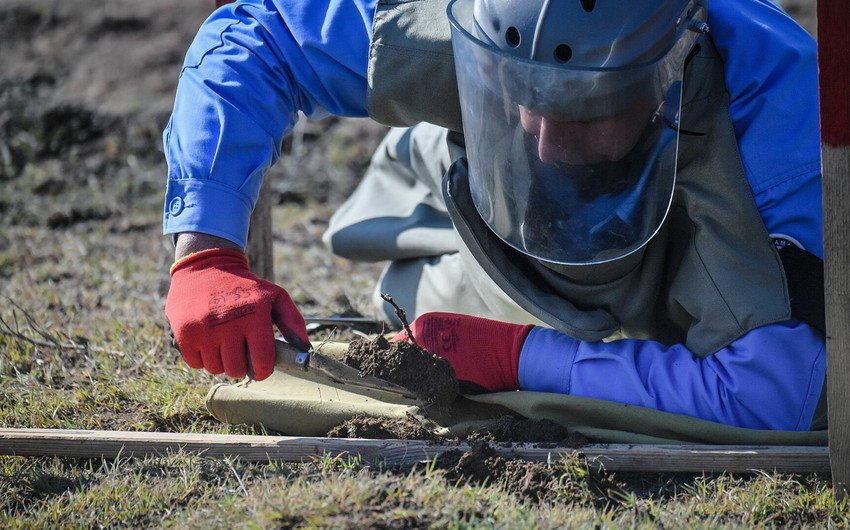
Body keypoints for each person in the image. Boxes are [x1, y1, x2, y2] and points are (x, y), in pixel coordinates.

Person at [163, 0, 825, 431]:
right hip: (484, 247)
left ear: (671, 70)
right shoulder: (478, 22)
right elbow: (254, 36)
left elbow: (777, 397)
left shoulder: (786, 137)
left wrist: (525, 359)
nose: (544, 140)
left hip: (691, 286)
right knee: (413, 306)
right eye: (521, 96)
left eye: (584, 109)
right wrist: (207, 250)